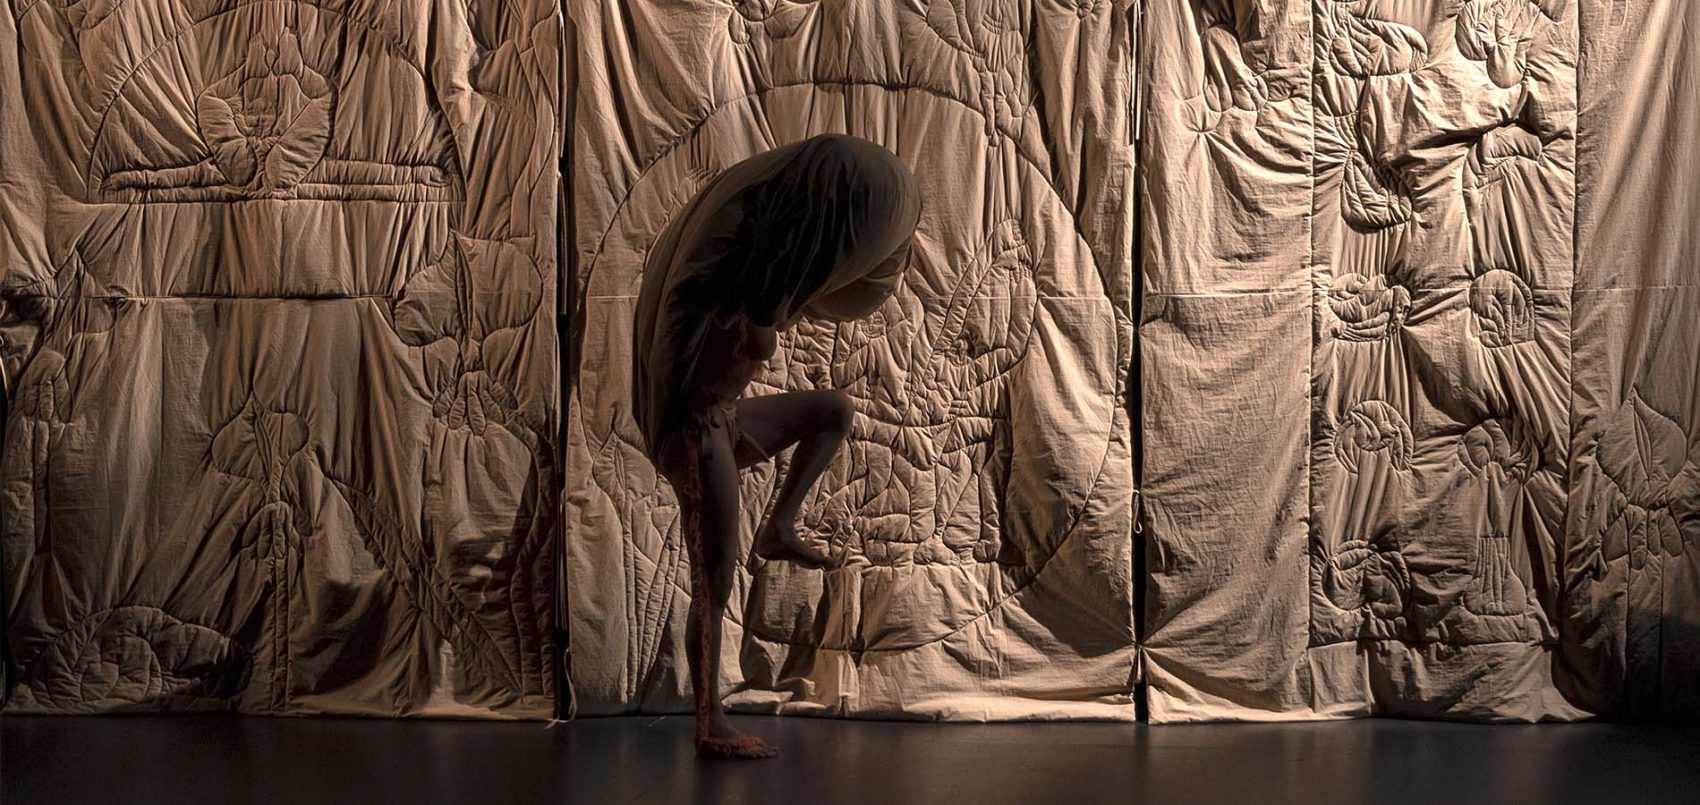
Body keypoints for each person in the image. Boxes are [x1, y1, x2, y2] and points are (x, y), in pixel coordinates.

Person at [631, 134, 922, 759]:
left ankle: (779, 525)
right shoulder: (727, 295)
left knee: (833, 411)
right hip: (696, 429)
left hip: (727, 417)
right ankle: (710, 723)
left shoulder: (759, 270)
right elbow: (676, 361)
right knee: (713, 576)